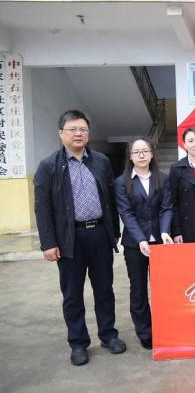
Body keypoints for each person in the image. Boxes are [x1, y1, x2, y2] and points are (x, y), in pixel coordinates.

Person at [34, 109, 126, 366]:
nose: (78, 133)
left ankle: (108, 335)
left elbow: (110, 198)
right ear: (61, 133)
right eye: (72, 129)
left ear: (88, 133)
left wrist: (114, 232)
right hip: (69, 238)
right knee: (73, 294)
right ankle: (78, 343)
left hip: (99, 235)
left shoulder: (101, 161)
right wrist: (48, 243)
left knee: (104, 289)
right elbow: (42, 207)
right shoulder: (48, 166)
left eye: (83, 129)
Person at [115, 136, 173, 350]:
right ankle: (145, 331)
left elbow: (167, 207)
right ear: (130, 156)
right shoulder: (122, 182)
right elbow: (126, 213)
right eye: (136, 152)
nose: (141, 155)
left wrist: (165, 231)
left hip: (160, 242)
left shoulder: (162, 178)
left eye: (145, 151)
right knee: (138, 288)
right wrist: (140, 238)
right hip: (134, 244)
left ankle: (165, 327)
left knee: (162, 287)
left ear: (152, 153)